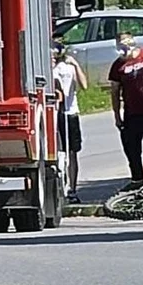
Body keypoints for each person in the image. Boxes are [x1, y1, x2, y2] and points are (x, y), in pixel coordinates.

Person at [109, 32, 143, 188]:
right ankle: (137, 179)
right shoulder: (117, 66)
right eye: (119, 44)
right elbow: (114, 91)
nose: (122, 48)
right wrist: (117, 116)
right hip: (131, 114)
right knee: (132, 149)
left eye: (124, 43)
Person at [51, 42, 88, 203]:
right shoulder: (50, 68)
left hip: (70, 112)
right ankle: (60, 187)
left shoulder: (69, 67)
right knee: (59, 152)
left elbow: (84, 85)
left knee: (73, 152)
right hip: (55, 114)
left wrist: (76, 65)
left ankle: (72, 188)